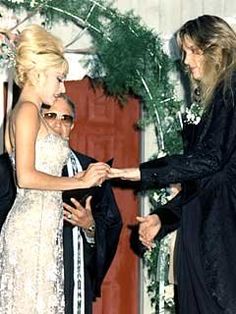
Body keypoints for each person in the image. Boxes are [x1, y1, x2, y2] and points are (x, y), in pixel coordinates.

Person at [109, 15, 236, 314]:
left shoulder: (231, 91)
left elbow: (210, 160)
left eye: (192, 51)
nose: (186, 62)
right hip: (197, 232)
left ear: (215, 49)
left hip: (220, 237)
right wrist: (163, 219)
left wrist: (139, 172)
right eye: (184, 52)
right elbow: (202, 181)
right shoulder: (212, 99)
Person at [0, 24, 109, 313]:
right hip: (30, 228)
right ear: (38, 73)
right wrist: (79, 180)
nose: (62, 87)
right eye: (59, 78)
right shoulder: (25, 112)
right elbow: (25, 177)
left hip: (41, 227)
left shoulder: (30, 111)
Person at [41, 94, 122, 314]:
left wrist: (90, 227)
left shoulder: (89, 169)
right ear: (37, 119)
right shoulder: (13, 168)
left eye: (65, 119)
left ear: (72, 125)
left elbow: (112, 224)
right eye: (50, 116)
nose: (58, 124)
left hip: (70, 276)